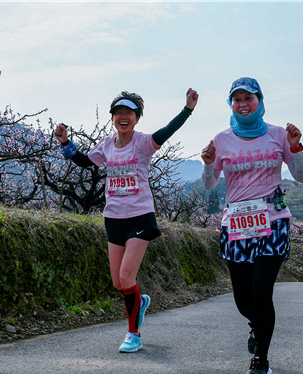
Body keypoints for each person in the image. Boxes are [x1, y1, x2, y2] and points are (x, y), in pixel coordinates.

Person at [55, 88, 199, 353]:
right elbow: (85, 161)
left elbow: (166, 132)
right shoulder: (107, 144)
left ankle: (134, 333)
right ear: (112, 118)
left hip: (140, 218)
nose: (123, 117)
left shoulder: (143, 143)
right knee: (118, 283)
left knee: (125, 276)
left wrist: (187, 110)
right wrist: (65, 142)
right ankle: (140, 302)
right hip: (114, 218)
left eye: (129, 113)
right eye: (118, 112)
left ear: (137, 118)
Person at [200, 77, 303, 374]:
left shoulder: (278, 135)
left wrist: (296, 146)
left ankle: (260, 357)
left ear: (259, 100)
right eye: (237, 99)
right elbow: (210, 184)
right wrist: (209, 165)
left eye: (248, 98)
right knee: (242, 299)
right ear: (230, 104)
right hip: (236, 224)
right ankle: (257, 325)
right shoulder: (222, 139)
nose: (243, 104)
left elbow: (301, 176)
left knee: (261, 292)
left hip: (272, 221)